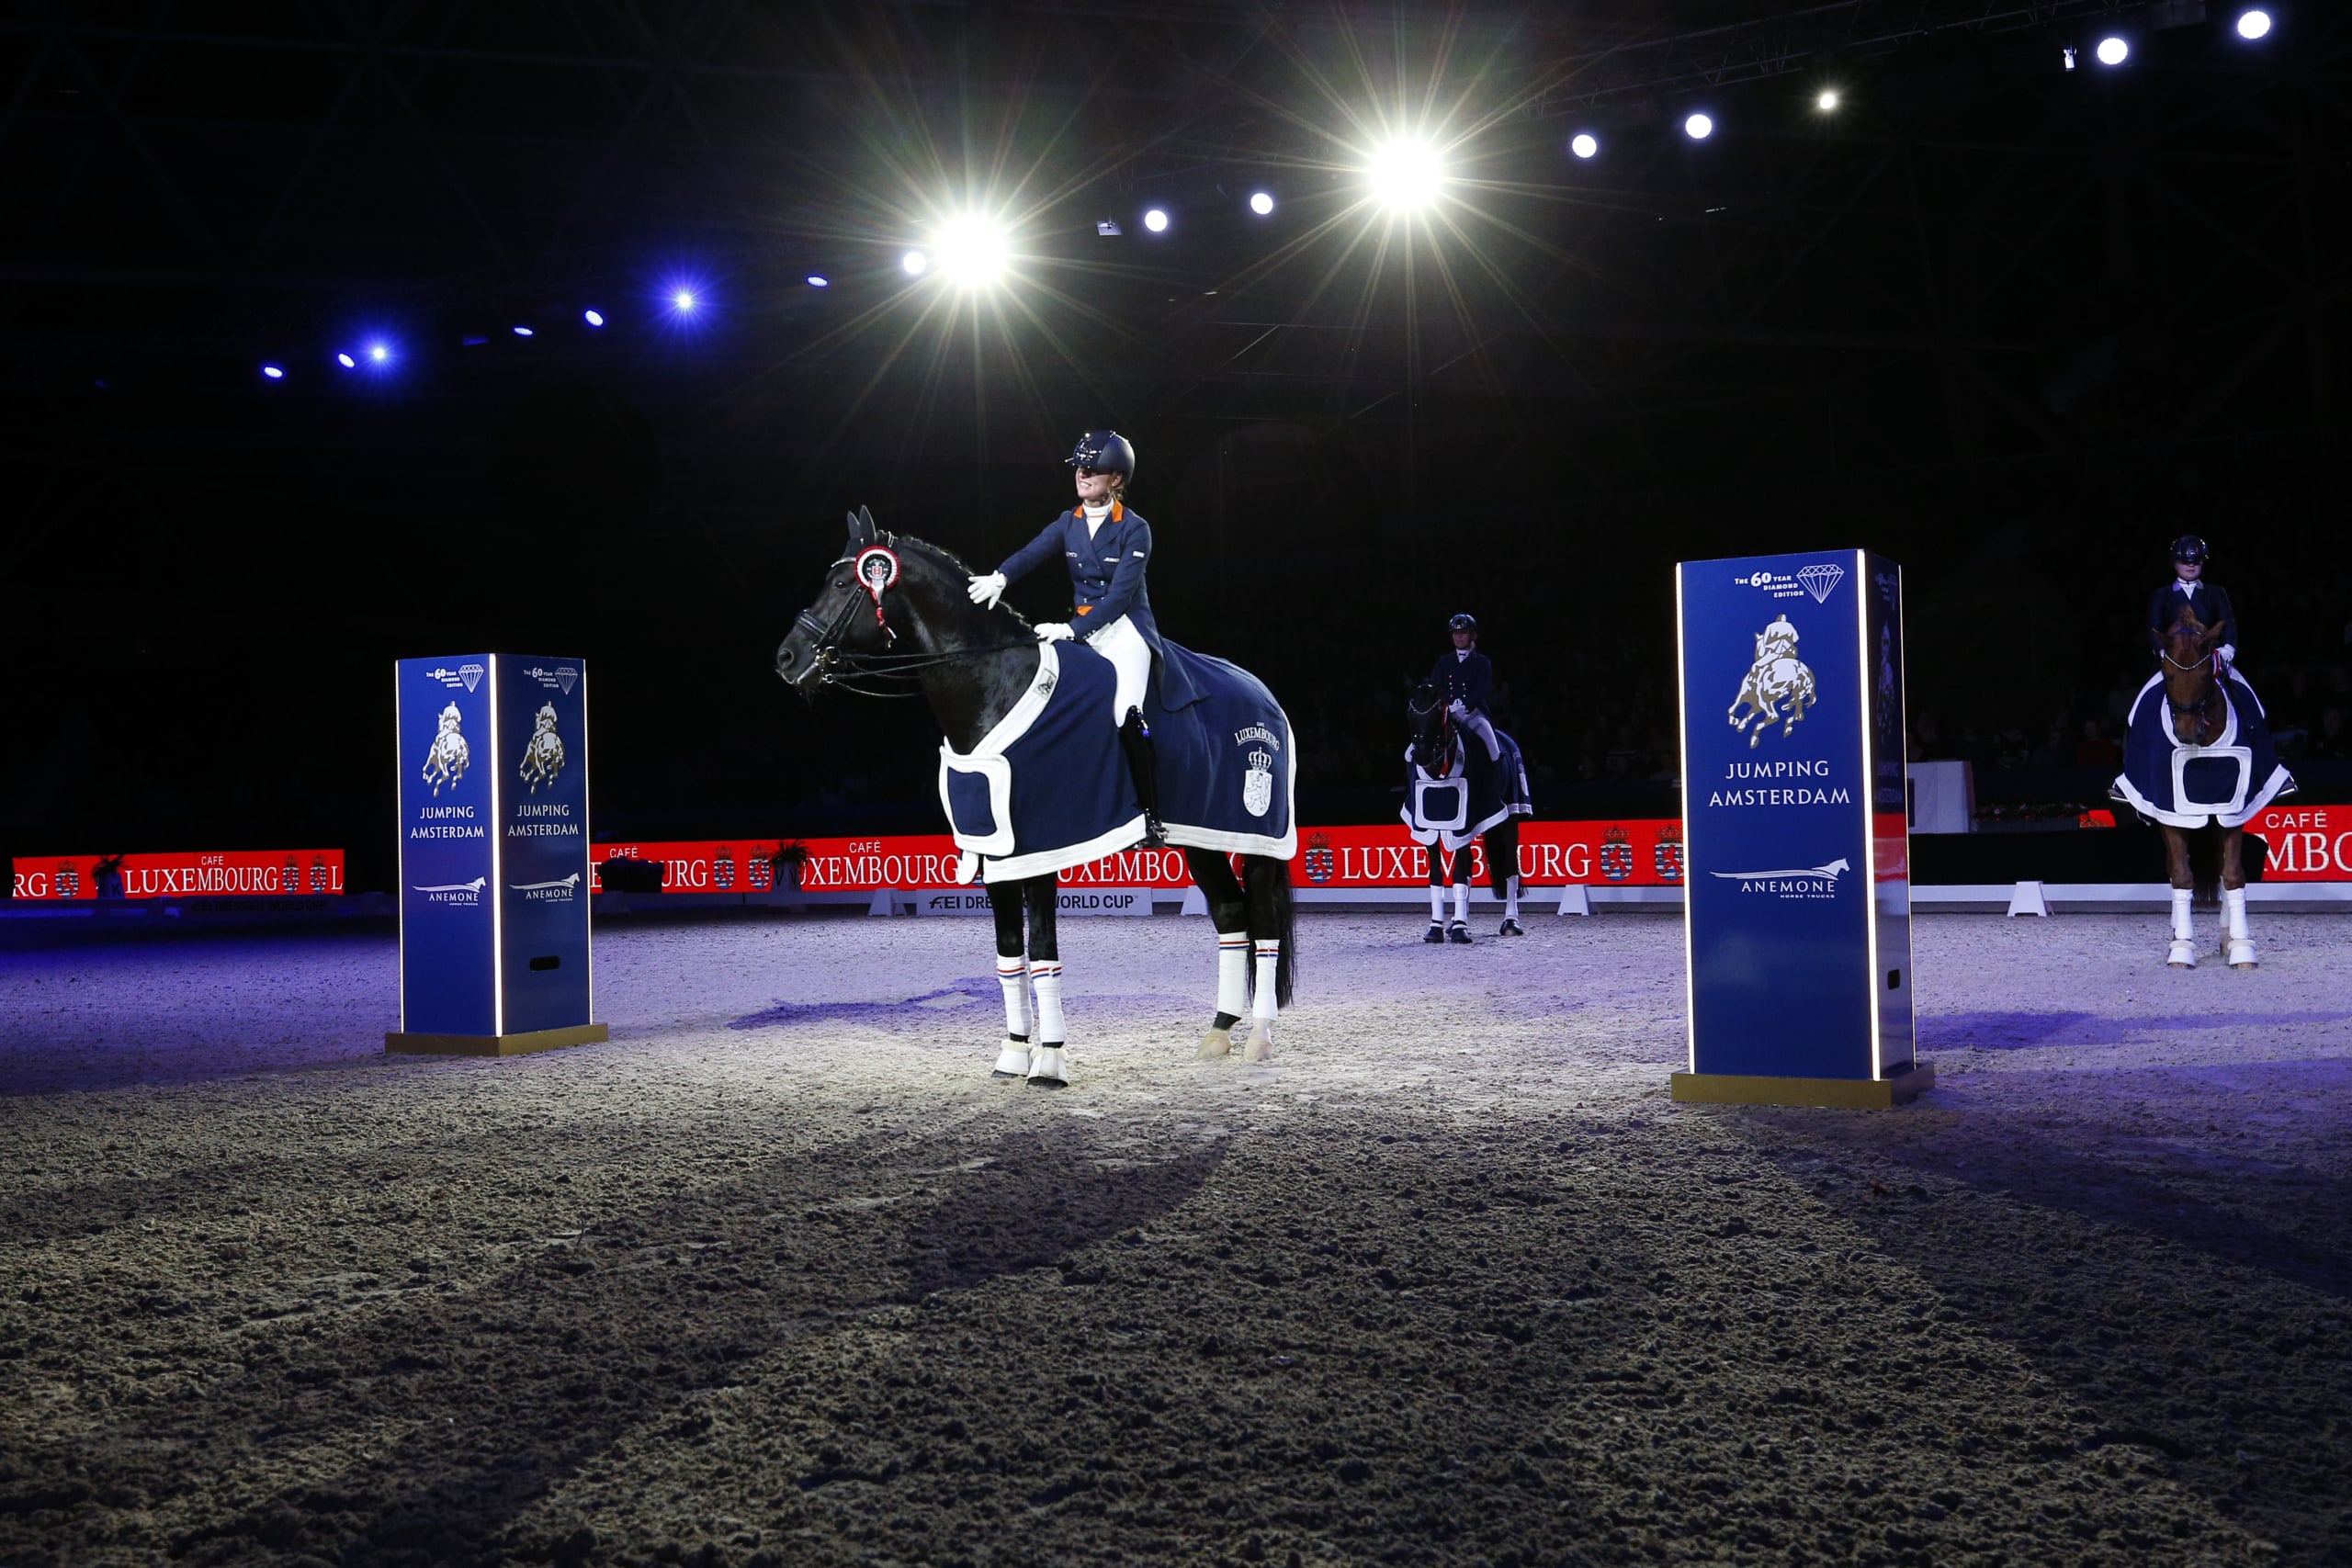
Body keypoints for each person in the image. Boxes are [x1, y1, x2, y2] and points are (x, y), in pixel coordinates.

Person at [967, 429, 1168, 843]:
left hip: (1125, 630)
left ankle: (1151, 815)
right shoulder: (1068, 522)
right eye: (1079, 466)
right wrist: (1001, 577)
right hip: (1082, 630)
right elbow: (1033, 552)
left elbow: (1118, 597)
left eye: (1093, 469)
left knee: (1124, 712)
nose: (1082, 473)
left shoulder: (1135, 529)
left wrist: (1071, 629)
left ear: (1116, 479)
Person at [2148, 534, 2238, 676]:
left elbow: (2228, 624)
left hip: (2212, 660)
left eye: (2196, 561)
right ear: (2174, 563)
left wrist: (2228, 648)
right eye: (2185, 561)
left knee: (2243, 690)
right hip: (2172, 660)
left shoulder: (2216, 593)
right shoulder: (2161, 595)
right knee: (2146, 696)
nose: (2191, 565)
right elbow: (2154, 629)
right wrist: (2162, 652)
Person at [1428, 613, 1501, 762]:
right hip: (1447, 715)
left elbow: (1481, 691)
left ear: (1472, 635)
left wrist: (1466, 706)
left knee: (1495, 752)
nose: (1459, 637)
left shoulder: (1482, 662)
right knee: (1411, 752)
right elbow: (1434, 687)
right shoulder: (1445, 661)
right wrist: (1447, 706)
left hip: (1474, 715)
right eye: (1456, 633)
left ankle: (1498, 781)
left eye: (1463, 633)